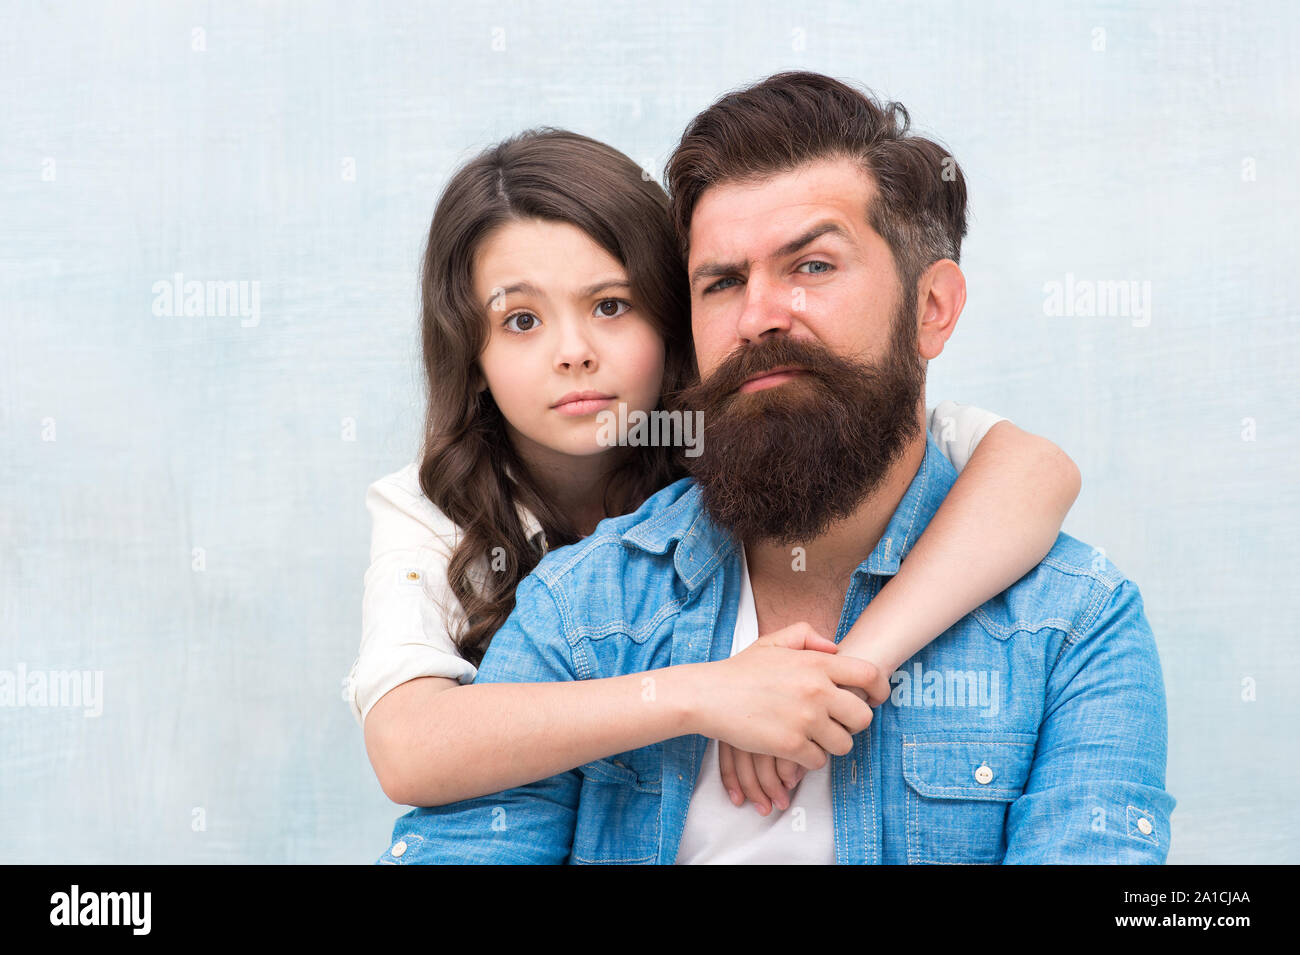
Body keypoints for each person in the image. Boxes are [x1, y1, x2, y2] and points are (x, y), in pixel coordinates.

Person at [348, 122, 1084, 825]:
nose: (572, 352)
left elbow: (1034, 472)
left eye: (610, 305)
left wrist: (844, 670)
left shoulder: (761, 426)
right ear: (470, 355)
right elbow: (408, 747)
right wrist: (704, 694)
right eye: (520, 321)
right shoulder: (430, 508)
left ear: (673, 320)